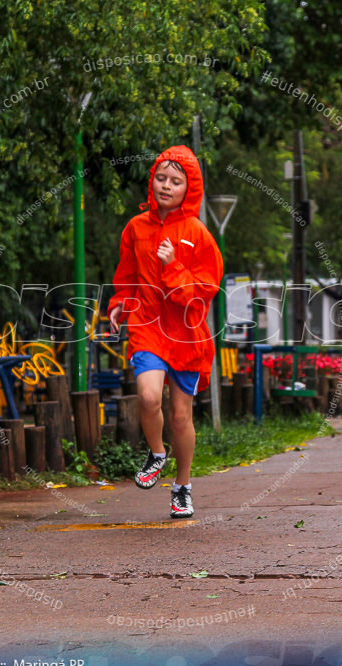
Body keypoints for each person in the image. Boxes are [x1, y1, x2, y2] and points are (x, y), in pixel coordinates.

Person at [107, 146, 223, 518]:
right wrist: (118, 306)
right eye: (161, 177)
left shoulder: (198, 234)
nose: (166, 186)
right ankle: (157, 453)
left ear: (189, 188)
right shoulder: (135, 227)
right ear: (152, 180)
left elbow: (204, 292)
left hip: (187, 335)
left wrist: (173, 267)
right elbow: (125, 278)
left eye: (176, 181)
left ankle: (183, 487)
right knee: (147, 396)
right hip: (147, 326)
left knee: (180, 416)